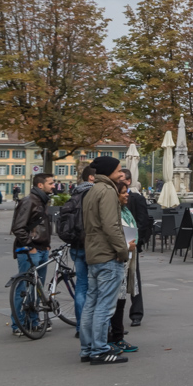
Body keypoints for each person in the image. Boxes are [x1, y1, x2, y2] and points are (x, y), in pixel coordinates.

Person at [79, 156, 132, 365]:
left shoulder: (91, 190)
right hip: (107, 254)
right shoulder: (108, 191)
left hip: (93, 253)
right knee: (104, 306)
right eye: (119, 170)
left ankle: (88, 348)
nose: (121, 174)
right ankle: (100, 350)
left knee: (91, 304)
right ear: (110, 171)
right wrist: (123, 250)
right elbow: (111, 226)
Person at [9, 173, 55, 336]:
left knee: (37, 289)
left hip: (41, 249)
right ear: (40, 185)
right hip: (29, 250)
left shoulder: (42, 201)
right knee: (23, 287)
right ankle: (18, 324)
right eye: (51, 183)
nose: (54, 185)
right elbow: (18, 227)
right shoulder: (29, 201)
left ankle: (33, 321)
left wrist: (46, 245)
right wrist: (31, 246)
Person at [61, 166, 97, 334]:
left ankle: (79, 326)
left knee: (81, 286)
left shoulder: (74, 195)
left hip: (76, 246)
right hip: (92, 246)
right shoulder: (94, 194)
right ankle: (92, 326)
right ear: (91, 177)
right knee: (95, 286)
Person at [107, 179, 139, 354]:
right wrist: (126, 247)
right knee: (113, 302)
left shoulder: (125, 211)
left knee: (120, 301)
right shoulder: (114, 213)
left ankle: (118, 337)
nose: (127, 194)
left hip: (126, 259)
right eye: (123, 192)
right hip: (117, 259)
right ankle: (111, 338)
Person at [120, 170, 151, 327]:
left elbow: (143, 221)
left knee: (133, 277)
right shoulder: (114, 198)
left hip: (132, 242)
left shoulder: (137, 198)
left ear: (129, 181)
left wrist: (136, 239)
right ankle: (119, 313)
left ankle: (136, 313)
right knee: (121, 279)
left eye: (122, 179)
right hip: (120, 244)